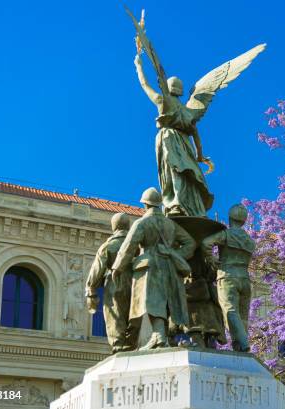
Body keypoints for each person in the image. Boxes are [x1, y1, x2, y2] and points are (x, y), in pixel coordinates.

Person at [112, 187, 195, 349]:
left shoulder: (142, 223)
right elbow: (190, 243)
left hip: (150, 267)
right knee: (166, 301)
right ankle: (161, 336)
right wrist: (174, 253)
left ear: (145, 205)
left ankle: (158, 335)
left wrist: (118, 267)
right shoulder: (170, 225)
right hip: (170, 266)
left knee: (152, 302)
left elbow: (128, 247)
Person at [134, 55, 213, 217]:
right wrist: (199, 156)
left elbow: (145, 84)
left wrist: (139, 66)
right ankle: (189, 206)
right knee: (186, 174)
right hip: (185, 143)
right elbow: (196, 135)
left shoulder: (162, 101)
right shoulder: (188, 111)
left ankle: (175, 203)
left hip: (167, 139)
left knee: (172, 171)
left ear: (168, 88)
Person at [201, 204, 255, 352]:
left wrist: (211, 259)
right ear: (244, 221)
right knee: (243, 314)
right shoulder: (250, 241)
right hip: (244, 278)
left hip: (227, 276)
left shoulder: (226, 234)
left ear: (230, 218)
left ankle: (243, 343)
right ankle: (238, 345)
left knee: (230, 310)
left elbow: (205, 243)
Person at [85, 213, 136, 353]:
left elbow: (97, 270)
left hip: (115, 283)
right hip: (136, 284)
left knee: (115, 313)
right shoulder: (137, 244)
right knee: (133, 315)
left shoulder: (108, 246)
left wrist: (91, 289)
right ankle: (132, 343)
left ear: (114, 226)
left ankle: (118, 344)